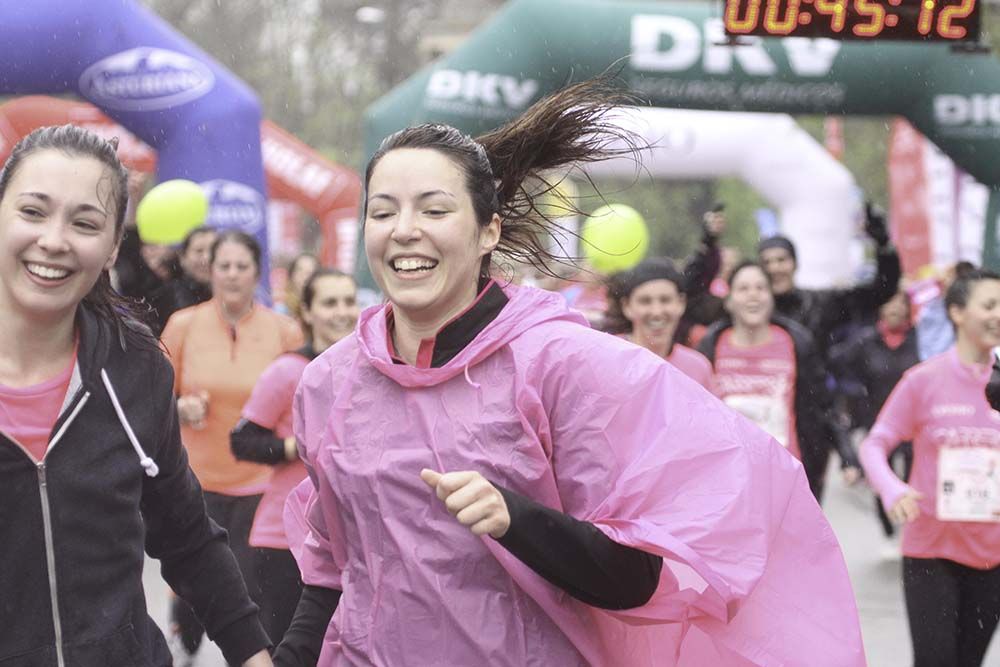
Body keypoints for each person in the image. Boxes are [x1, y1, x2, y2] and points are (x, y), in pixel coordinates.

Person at [273, 78, 863, 666]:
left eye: (434, 209)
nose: (405, 229)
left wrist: (519, 520)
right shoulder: (331, 382)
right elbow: (331, 569)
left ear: (488, 231)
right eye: (383, 211)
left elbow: (633, 577)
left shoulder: (561, 364)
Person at [0, 125, 272, 666]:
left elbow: (186, 536)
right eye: (32, 212)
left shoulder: (136, 364)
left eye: (84, 223)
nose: (54, 240)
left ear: (111, 248)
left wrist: (253, 654)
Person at [161, 230, 303, 664]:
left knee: (244, 586)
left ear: (256, 271)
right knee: (189, 582)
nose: (233, 275)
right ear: (211, 271)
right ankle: (184, 648)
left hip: (260, 482)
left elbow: (302, 395)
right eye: (224, 266)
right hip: (196, 479)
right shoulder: (184, 325)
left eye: (242, 266)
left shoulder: (284, 331)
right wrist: (179, 406)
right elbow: (154, 392)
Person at [860, 269, 1000, 667]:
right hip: (931, 550)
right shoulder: (924, 381)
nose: (998, 315)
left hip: (993, 555)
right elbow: (875, 444)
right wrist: (892, 489)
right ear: (957, 312)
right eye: (989, 305)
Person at [231, 269, 358, 645]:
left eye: (348, 301)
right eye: (329, 303)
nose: (341, 312)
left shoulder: (369, 366)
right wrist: (299, 446)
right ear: (307, 312)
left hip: (348, 541)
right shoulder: (289, 371)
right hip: (284, 540)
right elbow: (243, 441)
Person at [698, 261, 861, 501]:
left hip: (784, 478)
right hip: (727, 481)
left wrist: (847, 455)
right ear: (729, 300)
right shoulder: (711, 346)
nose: (753, 295)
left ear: (771, 297)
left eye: (761, 288)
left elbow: (823, 405)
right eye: (743, 289)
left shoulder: (796, 342)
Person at [830, 290, 919, 538]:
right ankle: (888, 523)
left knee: (913, 475)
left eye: (900, 304)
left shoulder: (921, 340)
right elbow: (838, 364)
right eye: (889, 304)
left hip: (914, 423)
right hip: (878, 417)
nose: (895, 310)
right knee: (882, 473)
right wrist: (853, 392)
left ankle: (912, 526)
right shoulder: (865, 341)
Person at [606, 258, 712, 388]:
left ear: (681, 303)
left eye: (665, 300)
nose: (656, 312)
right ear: (627, 306)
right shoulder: (609, 357)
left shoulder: (698, 368)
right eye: (645, 301)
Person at [148, 225, 216, 334]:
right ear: (183, 258)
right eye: (199, 251)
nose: (207, 258)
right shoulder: (166, 297)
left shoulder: (231, 297)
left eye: (213, 251)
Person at [278, 253, 320, 318]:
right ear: (291, 275)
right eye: (300, 270)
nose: (304, 276)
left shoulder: (322, 308)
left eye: (309, 272)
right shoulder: (280, 309)